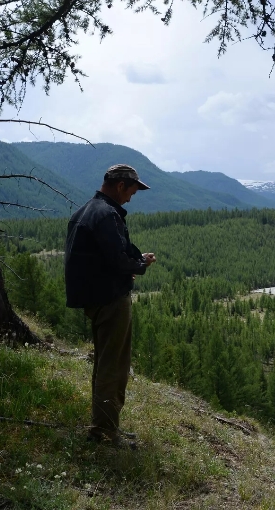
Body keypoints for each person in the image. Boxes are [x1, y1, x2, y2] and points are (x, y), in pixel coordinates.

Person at [64, 164, 157, 449]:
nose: (131, 197)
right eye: (132, 191)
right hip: (111, 299)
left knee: (105, 361)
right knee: (113, 366)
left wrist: (128, 262)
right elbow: (117, 259)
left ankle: (103, 424)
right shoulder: (107, 215)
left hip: (94, 298)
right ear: (120, 186)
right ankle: (104, 432)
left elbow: (101, 256)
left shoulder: (86, 211)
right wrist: (140, 264)